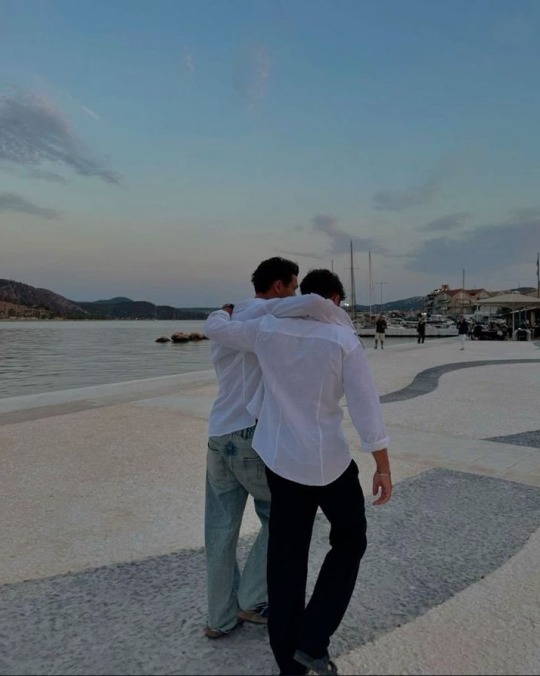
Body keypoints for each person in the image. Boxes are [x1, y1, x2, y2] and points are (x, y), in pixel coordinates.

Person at [205, 269, 391, 675]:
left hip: (280, 461)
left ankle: (288, 660)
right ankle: (313, 638)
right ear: (335, 299)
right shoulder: (343, 339)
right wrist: (382, 466)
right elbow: (366, 409)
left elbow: (220, 332)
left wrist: (225, 312)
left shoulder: (266, 330)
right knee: (350, 540)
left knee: (285, 557)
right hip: (328, 461)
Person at [204, 257, 351, 640]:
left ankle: (219, 618)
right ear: (279, 287)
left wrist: (220, 311)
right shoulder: (271, 317)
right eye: (293, 287)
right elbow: (315, 307)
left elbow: (213, 324)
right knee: (283, 519)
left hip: (218, 434)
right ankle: (253, 598)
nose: (296, 295)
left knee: (219, 530)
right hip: (253, 435)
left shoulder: (230, 318)